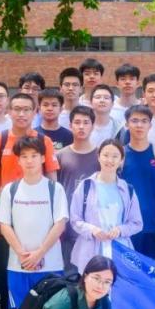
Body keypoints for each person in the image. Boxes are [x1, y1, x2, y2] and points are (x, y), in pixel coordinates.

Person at [0, 92, 60, 309]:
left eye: (27, 109)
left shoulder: (43, 141)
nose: (21, 114)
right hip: (8, 217)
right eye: (16, 109)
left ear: (35, 112)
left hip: (39, 215)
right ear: (9, 111)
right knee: (7, 269)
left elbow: (52, 175)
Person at [0, 136, 69, 309]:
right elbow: (4, 225)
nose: (29, 161)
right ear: (18, 160)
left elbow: (60, 223)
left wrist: (39, 253)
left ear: (43, 158)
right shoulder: (10, 189)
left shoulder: (54, 189)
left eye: (34, 156)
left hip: (50, 265)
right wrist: (21, 253)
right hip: (18, 267)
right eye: (24, 156)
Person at [69, 140, 143, 272]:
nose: (110, 160)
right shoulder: (86, 186)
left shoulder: (128, 189)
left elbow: (137, 223)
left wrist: (120, 230)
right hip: (90, 250)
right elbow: (75, 219)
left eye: (115, 156)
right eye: (106, 155)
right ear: (98, 157)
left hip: (119, 250)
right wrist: (92, 230)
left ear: (121, 160)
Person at [120, 105, 155, 262]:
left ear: (150, 125)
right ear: (127, 124)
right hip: (126, 225)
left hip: (153, 225)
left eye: (144, 121)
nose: (139, 125)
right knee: (129, 270)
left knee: (151, 270)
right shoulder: (120, 155)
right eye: (134, 121)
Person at [56, 106, 101, 272]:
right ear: (70, 125)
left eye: (86, 122)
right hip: (68, 224)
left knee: (93, 273)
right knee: (70, 274)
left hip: (95, 225)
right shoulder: (60, 155)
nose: (81, 127)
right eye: (77, 122)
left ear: (93, 126)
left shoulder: (101, 156)